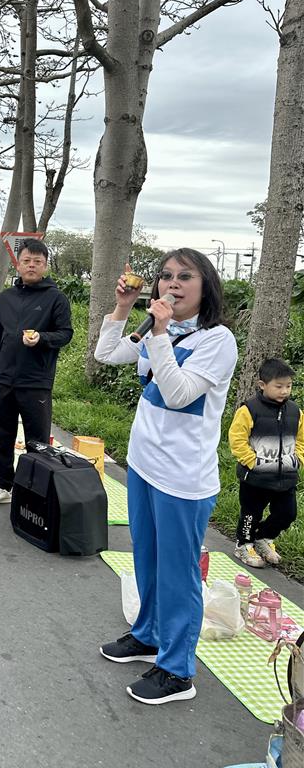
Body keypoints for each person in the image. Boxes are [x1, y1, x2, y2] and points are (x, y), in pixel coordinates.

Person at [96, 250, 237, 706]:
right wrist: (123, 308)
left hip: (183, 478)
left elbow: (177, 395)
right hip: (143, 464)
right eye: (165, 277)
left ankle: (178, 670)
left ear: (205, 287)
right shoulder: (161, 329)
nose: (171, 284)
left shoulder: (217, 341)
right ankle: (149, 635)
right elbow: (106, 353)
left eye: (185, 277)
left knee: (178, 574)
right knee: (148, 557)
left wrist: (157, 334)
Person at [0, 238, 73, 507]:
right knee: (0, 434)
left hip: (36, 381)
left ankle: (34, 491)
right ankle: (3, 485)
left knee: (37, 439)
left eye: (38, 262)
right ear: (18, 264)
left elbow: (65, 334)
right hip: (3, 379)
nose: (31, 266)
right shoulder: (5, 298)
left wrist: (41, 338)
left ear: (45, 265)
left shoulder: (56, 298)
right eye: (26, 261)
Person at [229, 358, 302, 568]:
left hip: (286, 477)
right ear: (262, 385)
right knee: (251, 513)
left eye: (288, 386)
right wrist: (253, 462)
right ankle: (244, 544)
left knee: (287, 513)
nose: (284, 391)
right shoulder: (249, 410)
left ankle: (263, 538)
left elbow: (302, 438)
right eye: (278, 386)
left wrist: (297, 459)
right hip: (255, 477)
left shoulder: (295, 412)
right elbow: (237, 439)